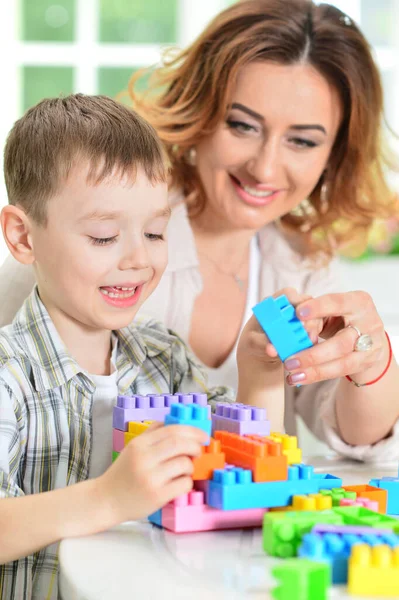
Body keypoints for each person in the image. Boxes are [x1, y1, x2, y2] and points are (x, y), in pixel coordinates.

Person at [0, 0, 399, 460]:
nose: (264, 167)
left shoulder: (300, 265)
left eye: (302, 141)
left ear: (334, 153)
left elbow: (359, 441)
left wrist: (372, 362)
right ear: (201, 112)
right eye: (242, 125)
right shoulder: (90, 238)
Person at [0, 94, 279, 598]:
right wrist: (109, 498)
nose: (138, 258)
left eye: (154, 231)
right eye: (104, 237)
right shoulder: (9, 375)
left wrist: (262, 377)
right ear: (23, 237)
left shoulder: (164, 356)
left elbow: (244, 479)